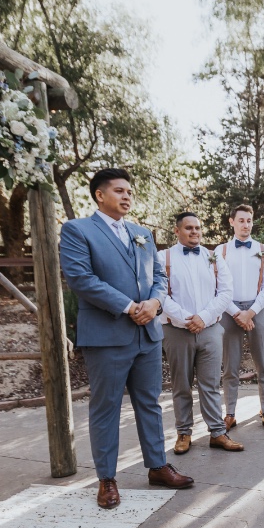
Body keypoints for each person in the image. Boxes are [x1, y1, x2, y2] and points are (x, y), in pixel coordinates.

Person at [59, 168, 194, 509]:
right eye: (118, 190)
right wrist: (128, 306)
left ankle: (157, 466)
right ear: (99, 195)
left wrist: (155, 302)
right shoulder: (77, 230)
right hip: (106, 335)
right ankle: (106, 479)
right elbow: (80, 278)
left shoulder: (142, 233)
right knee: (106, 408)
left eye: (129, 191)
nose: (126, 196)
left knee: (149, 403)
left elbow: (160, 275)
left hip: (146, 334)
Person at [160, 212, 244, 454]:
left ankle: (217, 432)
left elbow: (226, 292)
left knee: (210, 384)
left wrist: (203, 317)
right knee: (181, 385)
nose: (194, 232)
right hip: (176, 331)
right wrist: (186, 319)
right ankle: (183, 433)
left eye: (197, 227)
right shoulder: (162, 258)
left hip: (210, 330)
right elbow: (159, 293)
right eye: (188, 228)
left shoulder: (214, 257)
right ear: (177, 231)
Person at [216, 205, 264, 433]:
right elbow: (218, 286)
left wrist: (250, 313)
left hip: (257, 309)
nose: (246, 225)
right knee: (230, 365)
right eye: (241, 220)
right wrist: (236, 313)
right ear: (231, 222)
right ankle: (230, 413)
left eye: (249, 220)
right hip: (229, 310)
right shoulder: (220, 251)